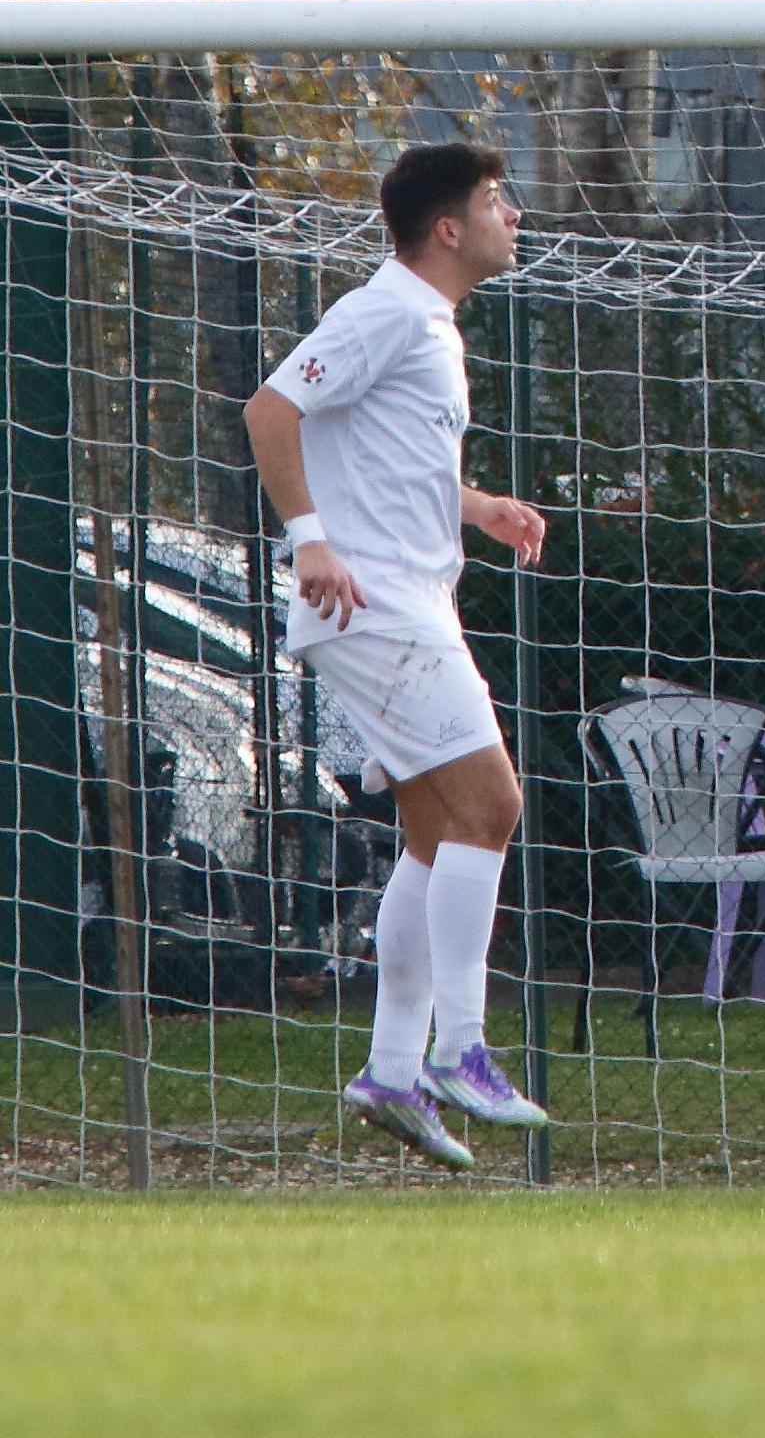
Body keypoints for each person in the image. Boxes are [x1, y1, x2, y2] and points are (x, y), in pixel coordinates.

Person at [242, 141, 552, 1170]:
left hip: (408, 600)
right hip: (377, 608)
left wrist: (478, 506)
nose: (514, 216)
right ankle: (460, 1048)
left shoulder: (427, 324)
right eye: (498, 200)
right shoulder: (385, 309)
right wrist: (309, 541)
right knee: (493, 804)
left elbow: (383, 459)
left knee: (435, 832)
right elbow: (271, 409)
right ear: (449, 228)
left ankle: (389, 1070)